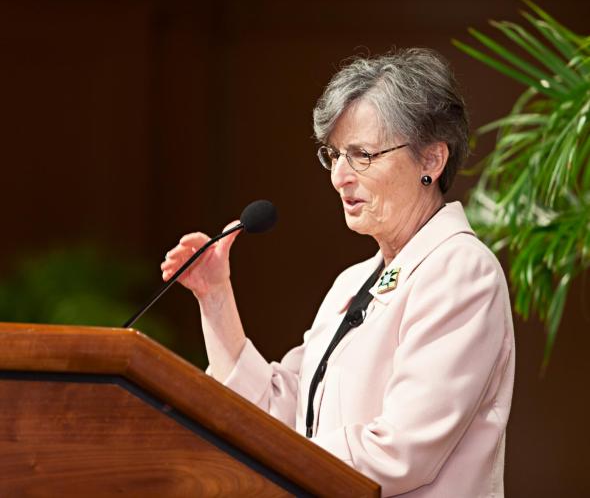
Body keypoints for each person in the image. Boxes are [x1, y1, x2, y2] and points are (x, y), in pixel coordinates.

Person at [161, 48, 515, 497]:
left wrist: (272, 456)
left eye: (363, 155)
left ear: (431, 160)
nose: (340, 177)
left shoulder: (462, 271)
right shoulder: (353, 282)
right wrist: (215, 296)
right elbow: (280, 413)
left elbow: (401, 452)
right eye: (335, 155)